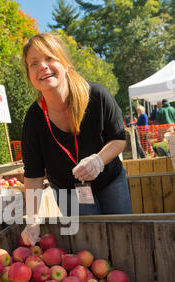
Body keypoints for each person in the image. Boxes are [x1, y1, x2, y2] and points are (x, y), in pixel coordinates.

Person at [20, 33, 132, 246]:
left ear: (65, 63)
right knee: (93, 246)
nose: (42, 66)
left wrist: (99, 160)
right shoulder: (33, 119)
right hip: (68, 191)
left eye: (49, 58)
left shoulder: (96, 95)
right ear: (29, 75)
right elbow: (33, 177)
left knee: (123, 237)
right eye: (33, 63)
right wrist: (32, 221)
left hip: (110, 180)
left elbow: (118, 139)